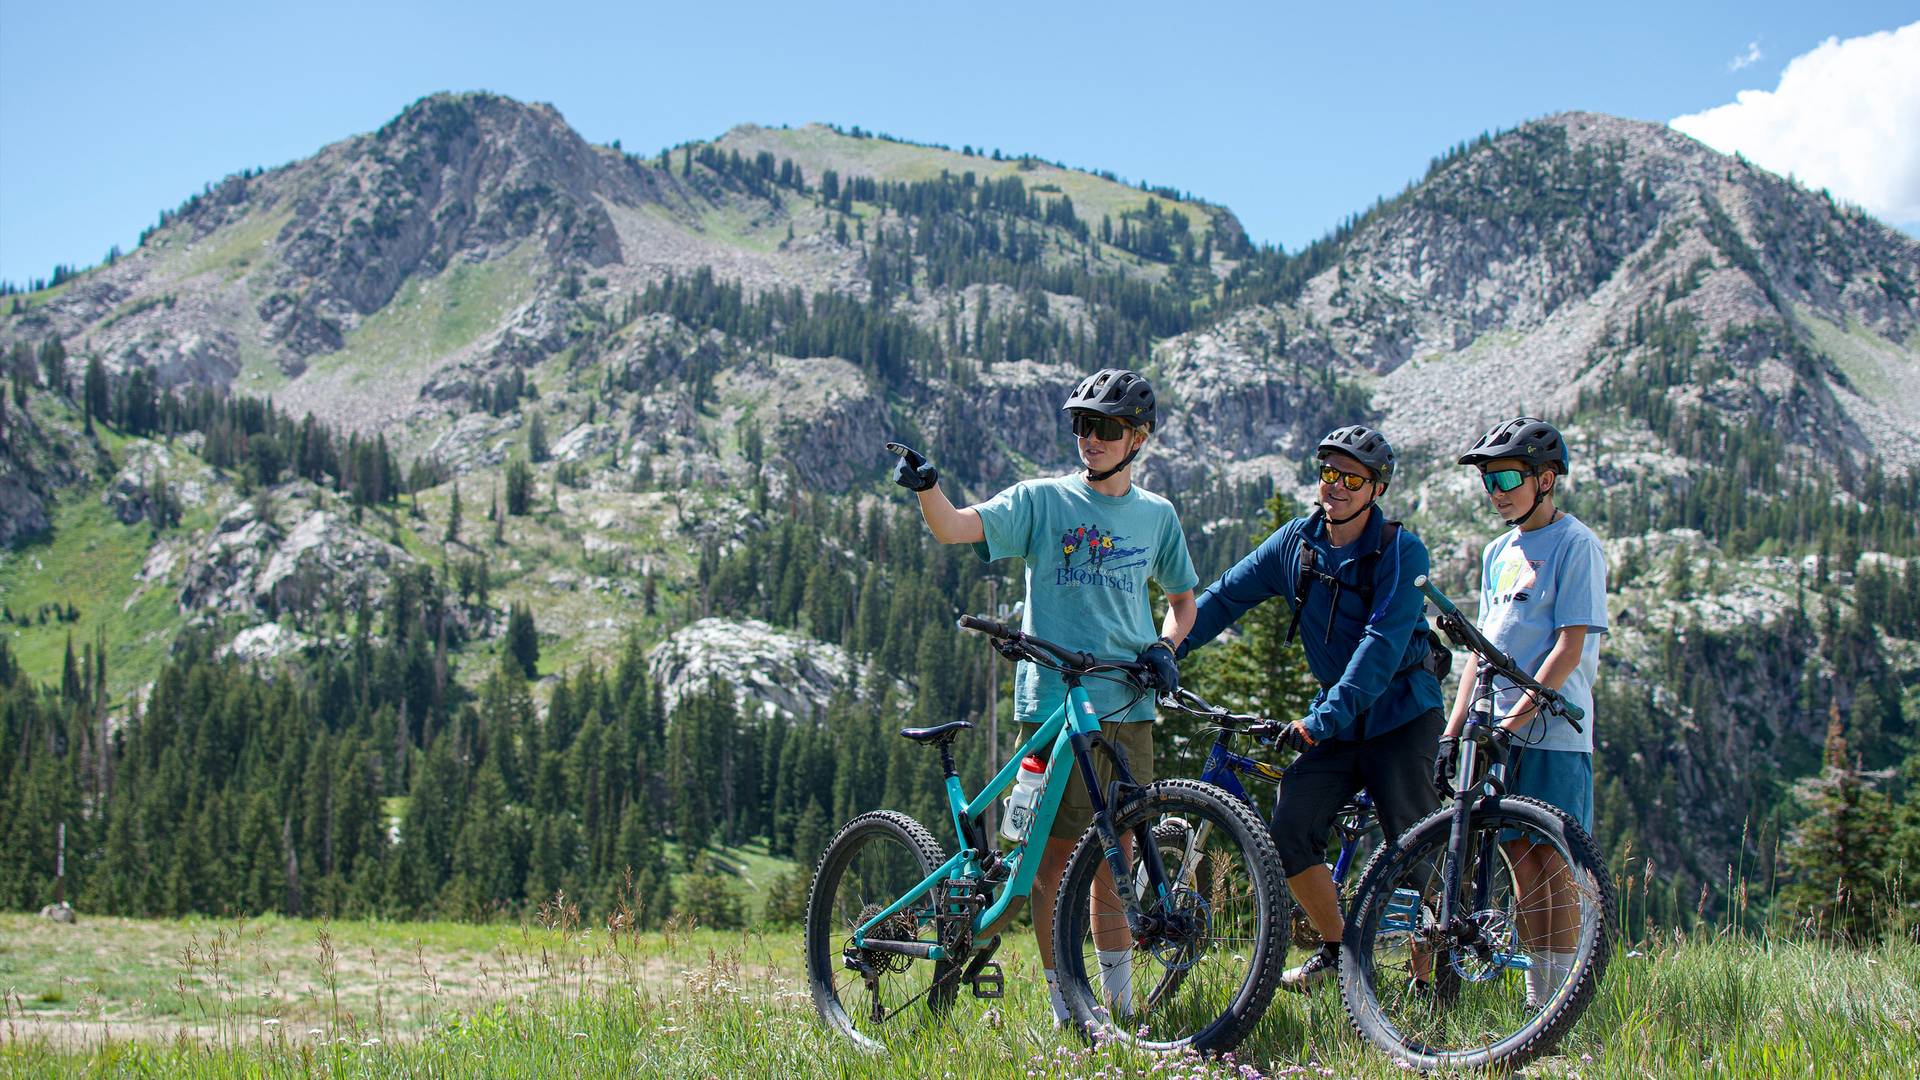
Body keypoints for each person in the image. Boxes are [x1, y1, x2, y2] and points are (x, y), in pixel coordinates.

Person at [888, 367, 1199, 1026]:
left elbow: (1182, 603)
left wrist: (1165, 648)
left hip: (1127, 707)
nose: (1090, 438)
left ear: (1139, 437)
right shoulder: (1041, 500)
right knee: (1050, 860)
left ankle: (1117, 1008)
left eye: (1106, 427)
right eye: (1082, 425)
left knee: (1116, 855)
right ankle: (1067, 1011)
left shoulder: (1156, 516)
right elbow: (954, 528)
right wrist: (928, 488)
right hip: (1052, 707)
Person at [1176, 425, 1446, 993]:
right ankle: (1339, 951)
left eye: (1353, 478)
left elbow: (1380, 647)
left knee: (1416, 841)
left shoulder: (1401, 549)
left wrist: (1320, 722)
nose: (1338, 487)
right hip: (1337, 720)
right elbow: (1225, 597)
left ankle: (1442, 973)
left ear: (1377, 488)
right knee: (1289, 830)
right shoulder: (1296, 543)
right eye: (1330, 473)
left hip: (1401, 711)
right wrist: (1165, 649)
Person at [1440, 416, 1608, 1008]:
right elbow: (1480, 654)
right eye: (1488, 481)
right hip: (1494, 734)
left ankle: (1554, 1007)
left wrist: (1512, 726)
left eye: (1508, 476)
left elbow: (1568, 648)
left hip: (1552, 735)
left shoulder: (1576, 543)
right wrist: (1453, 732)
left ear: (1546, 478)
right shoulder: (1497, 552)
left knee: (1554, 866)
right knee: (1519, 865)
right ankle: (1538, 1002)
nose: (1497, 491)